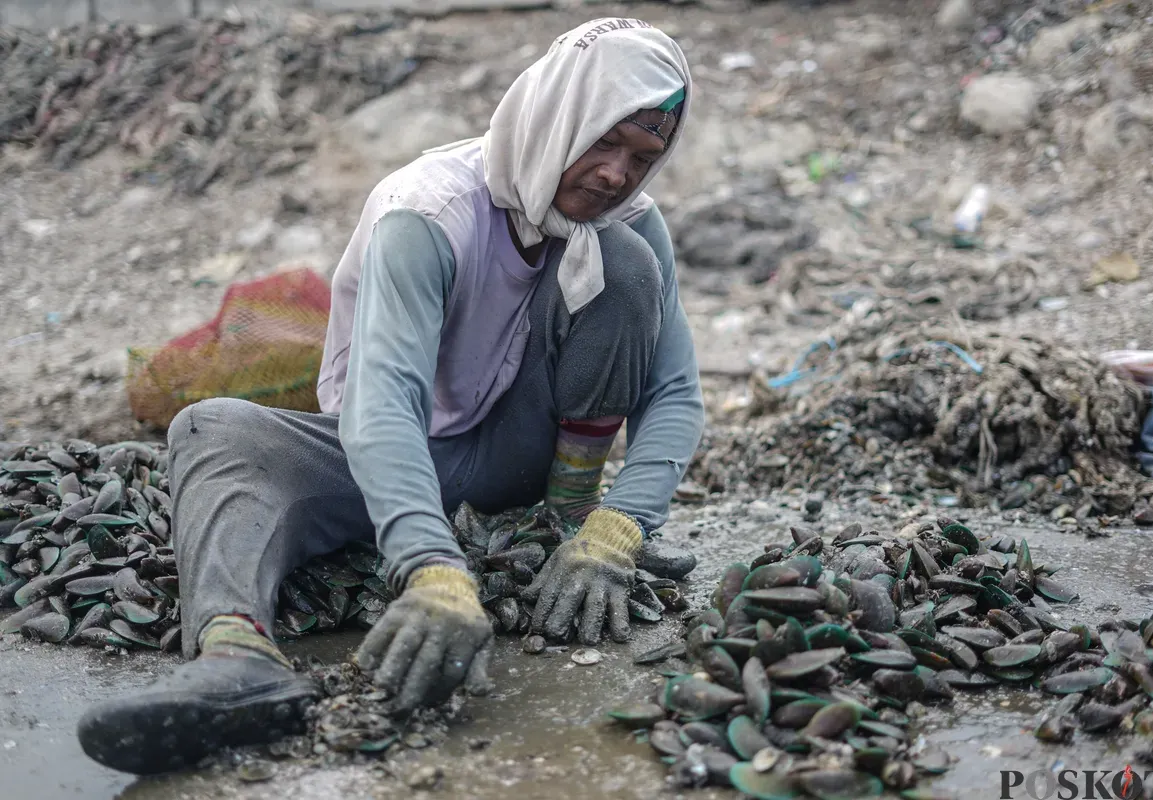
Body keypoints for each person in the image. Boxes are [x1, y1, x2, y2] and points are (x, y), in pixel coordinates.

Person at [76, 17, 703, 775]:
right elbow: (380, 408)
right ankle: (235, 655)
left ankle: (564, 523)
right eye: (604, 142)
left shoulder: (626, 221)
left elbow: (673, 391)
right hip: (383, 460)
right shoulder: (430, 211)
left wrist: (618, 527)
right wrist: (430, 566)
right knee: (213, 429)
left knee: (628, 266)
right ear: (558, 115)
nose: (617, 174)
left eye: (644, 156)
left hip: (519, 464)